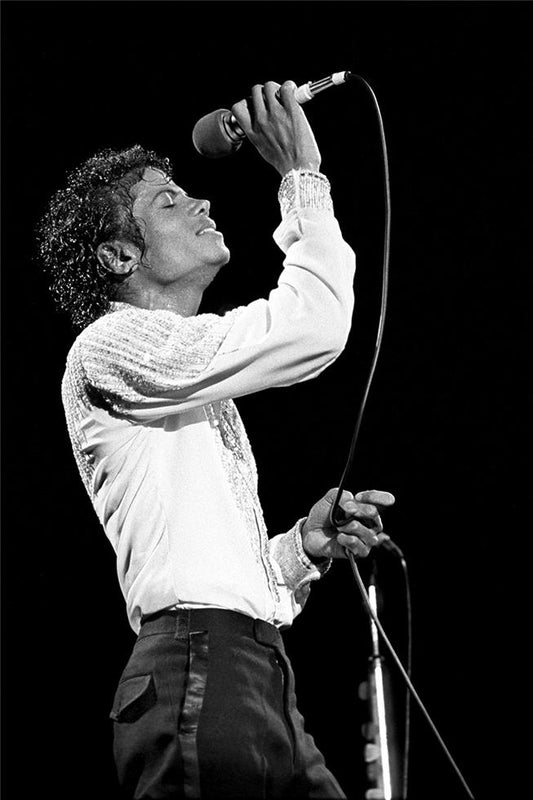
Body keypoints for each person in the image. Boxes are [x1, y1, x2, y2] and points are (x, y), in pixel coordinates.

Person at [37, 80, 395, 799]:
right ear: (118, 258)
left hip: (253, 669)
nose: (200, 202)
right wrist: (301, 175)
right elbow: (313, 325)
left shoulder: (188, 379)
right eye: (168, 201)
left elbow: (212, 566)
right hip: (199, 666)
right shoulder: (111, 348)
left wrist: (300, 549)